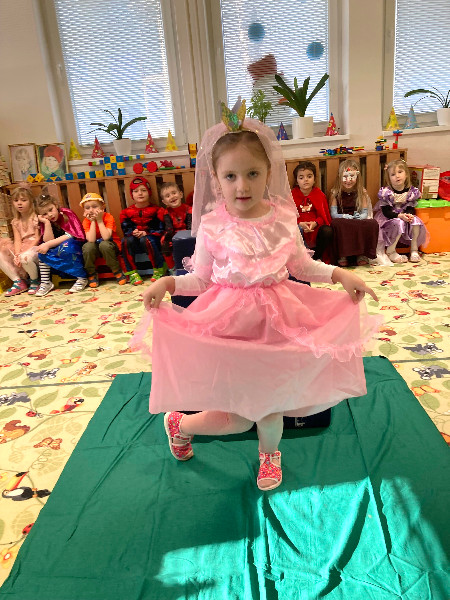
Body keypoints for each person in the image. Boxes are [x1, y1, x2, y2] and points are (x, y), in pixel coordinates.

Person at [132, 111, 380, 492]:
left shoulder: (282, 219)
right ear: (216, 179)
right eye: (231, 176)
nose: (242, 185)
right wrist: (168, 282)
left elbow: (302, 265)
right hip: (230, 326)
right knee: (237, 417)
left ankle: (269, 453)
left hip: (279, 321)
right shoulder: (213, 225)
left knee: (272, 402)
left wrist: (339, 275)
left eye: (252, 173)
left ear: (268, 173)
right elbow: (201, 279)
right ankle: (180, 424)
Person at [374, 159, 428, 264]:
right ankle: (391, 250)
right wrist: (400, 216)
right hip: (389, 219)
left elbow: (410, 207)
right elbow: (386, 212)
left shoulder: (411, 192)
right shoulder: (386, 193)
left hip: (403, 216)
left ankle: (414, 249)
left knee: (416, 221)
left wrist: (409, 215)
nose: (397, 176)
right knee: (399, 222)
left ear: (406, 174)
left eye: (400, 172)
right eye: (393, 174)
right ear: (389, 178)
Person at [34, 191, 87, 297]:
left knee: (67, 246)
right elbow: (48, 240)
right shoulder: (45, 221)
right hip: (57, 247)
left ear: (56, 205)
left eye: (51, 210)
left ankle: (82, 278)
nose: (49, 215)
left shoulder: (67, 213)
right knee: (42, 251)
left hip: (74, 245)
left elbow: (71, 235)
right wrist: (46, 223)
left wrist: (48, 244)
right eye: (44, 214)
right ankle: (46, 282)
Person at [329, 159, 379, 267]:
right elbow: (333, 214)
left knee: (373, 223)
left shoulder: (362, 193)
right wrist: (343, 216)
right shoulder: (335, 193)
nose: (348, 180)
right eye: (345, 177)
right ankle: (343, 255)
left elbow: (365, 212)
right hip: (342, 220)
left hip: (357, 219)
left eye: (352, 176)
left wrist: (360, 216)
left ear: (357, 177)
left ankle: (361, 254)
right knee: (336, 223)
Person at [120, 176, 168, 284]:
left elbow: (160, 228)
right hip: (134, 241)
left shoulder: (157, 210)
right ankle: (132, 273)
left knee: (146, 240)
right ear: (132, 194)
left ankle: (159, 269)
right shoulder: (125, 212)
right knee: (126, 241)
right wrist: (133, 232)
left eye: (143, 190)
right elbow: (126, 229)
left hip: (152, 240)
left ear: (149, 192)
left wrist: (146, 233)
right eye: (136, 191)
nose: (140, 193)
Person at [80, 192, 127, 288]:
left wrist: (99, 220)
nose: (91, 210)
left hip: (110, 245)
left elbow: (106, 237)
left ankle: (116, 270)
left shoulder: (108, 217)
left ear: (103, 207)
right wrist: (92, 221)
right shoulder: (86, 221)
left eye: (95, 207)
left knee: (104, 244)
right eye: (87, 208)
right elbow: (91, 240)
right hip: (95, 247)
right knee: (87, 247)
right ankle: (91, 273)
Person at [0, 186, 40, 296]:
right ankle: (18, 281)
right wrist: (17, 254)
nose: (19, 203)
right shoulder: (16, 221)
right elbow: (17, 240)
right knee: (2, 254)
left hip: (35, 246)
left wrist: (24, 252)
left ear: (30, 201)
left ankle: (35, 281)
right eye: (16, 200)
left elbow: (38, 238)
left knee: (25, 257)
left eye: (23, 200)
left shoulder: (35, 217)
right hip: (22, 245)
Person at [291, 161, 332, 260]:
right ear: (296, 181)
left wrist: (315, 223)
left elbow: (323, 216)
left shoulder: (319, 194)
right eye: (301, 178)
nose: (306, 180)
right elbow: (288, 215)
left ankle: (316, 258)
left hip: (315, 228)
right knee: (294, 230)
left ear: (314, 179)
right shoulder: (292, 195)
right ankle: (302, 258)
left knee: (327, 231)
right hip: (299, 227)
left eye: (309, 176)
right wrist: (300, 223)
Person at [159, 182, 192, 269]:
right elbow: (169, 227)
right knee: (164, 242)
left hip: (187, 232)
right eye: (168, 196)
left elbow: (190, 225)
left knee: (192, 239)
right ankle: (172, 268)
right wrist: (168, 238)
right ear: (164, 202)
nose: (172, 196)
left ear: (180, 194)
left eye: (174, 193)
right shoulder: (167, 212)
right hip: (173, 233)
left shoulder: (188, 209)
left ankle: (193, 264)